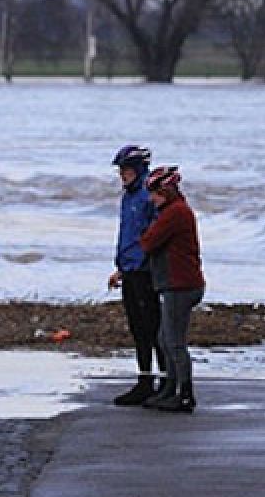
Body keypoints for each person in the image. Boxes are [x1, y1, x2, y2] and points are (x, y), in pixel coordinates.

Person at [139, 165, 205, 413]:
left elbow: (148, 242)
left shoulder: (174, 213)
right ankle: (170, 387)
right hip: (177, 284)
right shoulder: (175, 210)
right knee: (164, 338)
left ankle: (185, 393)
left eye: (153, 194)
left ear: (165, 191)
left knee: (174, 342)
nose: (150, 199)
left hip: (181, 285)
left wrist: (145, 233)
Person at [107, 145, 166, 406]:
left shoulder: (148, 194)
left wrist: (145, 262)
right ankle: (144, 381)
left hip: (146, 271)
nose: (122, 174)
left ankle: (165, 382)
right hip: (129, 270)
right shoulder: (128, 197)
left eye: (126, 169)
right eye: (120, 170)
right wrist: (120, 268)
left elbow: (156, 234)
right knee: (137, 329)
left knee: (153, 328)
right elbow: (128, 235)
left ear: (139, 169)